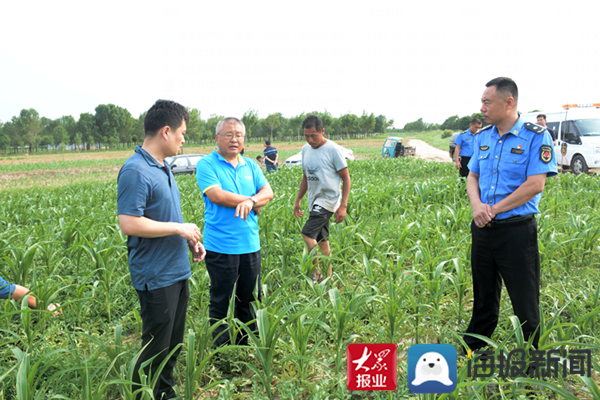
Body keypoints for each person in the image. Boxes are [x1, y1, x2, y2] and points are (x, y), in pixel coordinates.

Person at [117, 99, 205, 400]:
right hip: (155, 276)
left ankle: (164, 394)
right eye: (181, 132)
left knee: (172, 345)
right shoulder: (136, 170)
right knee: (154, 348)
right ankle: (139, 395)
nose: (184, 138)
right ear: (165, 131)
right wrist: (177, 229)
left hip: (176, 270)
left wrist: (189, 238)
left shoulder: (162, 166)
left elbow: (164, 218)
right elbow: (129, 223)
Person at [463, 77, 557, 354]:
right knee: (483, 290)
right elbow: (472, 175)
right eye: (482, 101)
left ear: (509, 102)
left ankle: (530, 353)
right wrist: (477, 207)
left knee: (524, 296)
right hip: (482, 227)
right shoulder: (484, 137)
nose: (482, 108)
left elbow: (535, 184)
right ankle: (476, 343)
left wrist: (492, 209)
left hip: (515, 230)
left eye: (486, 102)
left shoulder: (536, 136)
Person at [196, 117, 273, 347]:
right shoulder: (207, 164)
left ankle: (246, 344)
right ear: (217, 138)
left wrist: (253, 200)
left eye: (239, 135)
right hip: (221, 245)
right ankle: (220, 349)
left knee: (249, 298)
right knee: (221, 299)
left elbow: (268, 191)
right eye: (228, 134)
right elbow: (217, 195)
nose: (234, 139)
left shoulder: (250, 165)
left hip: (250, 243)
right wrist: (253, 201)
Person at [294, 115, 351, 282]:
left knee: (307, 233)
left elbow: (346, 178)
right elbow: (306, 176)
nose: (310, 139)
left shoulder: (333, 150)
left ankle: (316, 273)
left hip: (327, 200)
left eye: (314, 135)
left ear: (322, 131)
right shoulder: (305, 150)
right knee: (322, 241)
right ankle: (329, 277)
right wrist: (298, 200)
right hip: (314, 199)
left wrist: (343, 206)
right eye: (306, 136)